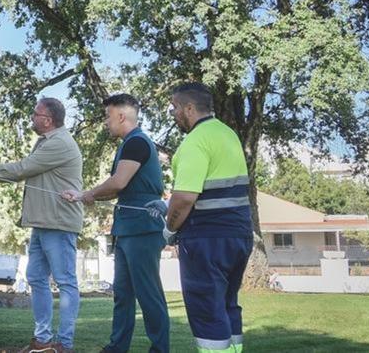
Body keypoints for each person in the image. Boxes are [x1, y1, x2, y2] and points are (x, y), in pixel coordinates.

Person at [0, 97, 83, 353]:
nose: (31, 117)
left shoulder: (59, 142)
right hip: (42, 223)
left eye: (35, 114)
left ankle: (64, 344)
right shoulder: (49, 141)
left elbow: (23, 169)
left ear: (47, 120)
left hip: (59, 224)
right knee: (36, 278)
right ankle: (42, 341)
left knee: (65, 282)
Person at [62, 93, 169, 353]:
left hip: (142, 229)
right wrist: (82, 196)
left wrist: (88, 194)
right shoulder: (129, 144)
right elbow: (117, 188)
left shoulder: (137, 143)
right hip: (126, 229)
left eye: (108, 116)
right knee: (122, 294)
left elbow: (118, 182)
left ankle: (160, 349)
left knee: (148, 294)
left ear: (122, 116)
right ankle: (116, 348)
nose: (106, 122)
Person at [164, 82, 252, 353]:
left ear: (189, 108)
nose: (173, 113)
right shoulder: (228, 134)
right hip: (238, 235)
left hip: (206, 239)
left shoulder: (195, 141)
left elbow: (184, 198)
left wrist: (169, 229)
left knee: (206, 310)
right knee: (228, 306)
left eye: (175, 107)